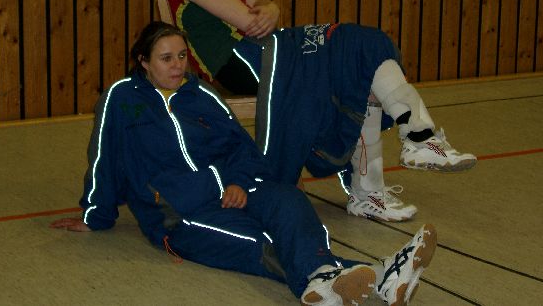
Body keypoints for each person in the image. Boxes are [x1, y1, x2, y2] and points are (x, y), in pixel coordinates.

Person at [145, 0, 477, 223]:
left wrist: (271, 7)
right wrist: (267, 10)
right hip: (245, 62)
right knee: (355, 44)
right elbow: (249, 20)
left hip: (265, 49)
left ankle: (399, 161)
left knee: (364, 51)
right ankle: (404, 152)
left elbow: (262, 5)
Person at [50, 22, 438, 305]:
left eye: (182, 56)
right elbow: (103, 158)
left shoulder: (202, 94)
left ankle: (329, 279)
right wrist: (95, 215)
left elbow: (240, 147)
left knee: (288, 201)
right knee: (258, 242)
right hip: (179, 214)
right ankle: (378, 276)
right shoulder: (121, 99)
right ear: (143, 61)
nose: (177, 66)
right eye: (166, 58)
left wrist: (236, 181)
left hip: (235, 189)